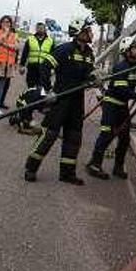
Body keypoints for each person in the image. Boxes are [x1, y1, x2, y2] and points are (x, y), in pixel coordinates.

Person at [24, 21, 96, 185]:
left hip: (77, 101)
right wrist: (48, 91)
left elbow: (89, 73)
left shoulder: (89, 53)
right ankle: (31, 168)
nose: (91, 34)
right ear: (79, 33)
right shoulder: (65, 50)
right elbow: (45, 66)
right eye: (88, 31)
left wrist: (93, 79)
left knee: (74, 137)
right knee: (49, 135)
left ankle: (67, 173)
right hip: (61, 99)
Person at [86, 37, 136, 180]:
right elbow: (122, 91)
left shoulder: (135, 68)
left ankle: (118, 167)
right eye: (135, 48)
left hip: (122, 107)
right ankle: (94, 164)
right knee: (106, 134)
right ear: (127, 51)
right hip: (111, 105)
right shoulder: (120, 68)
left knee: (125, 138)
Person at [15, 22, 55, 133]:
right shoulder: (30, 39)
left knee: (43, 89)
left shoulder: (50, 41)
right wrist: (22, 65)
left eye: (42, 27)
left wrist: (52, 69)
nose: (40, 29)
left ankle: (41, 107)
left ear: (45, 29)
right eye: (38, 27)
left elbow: (53, 55)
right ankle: (30, 109)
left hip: (44, 69)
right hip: (32, 68)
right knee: (31, 89)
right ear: (36, 29)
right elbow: (25, 53)